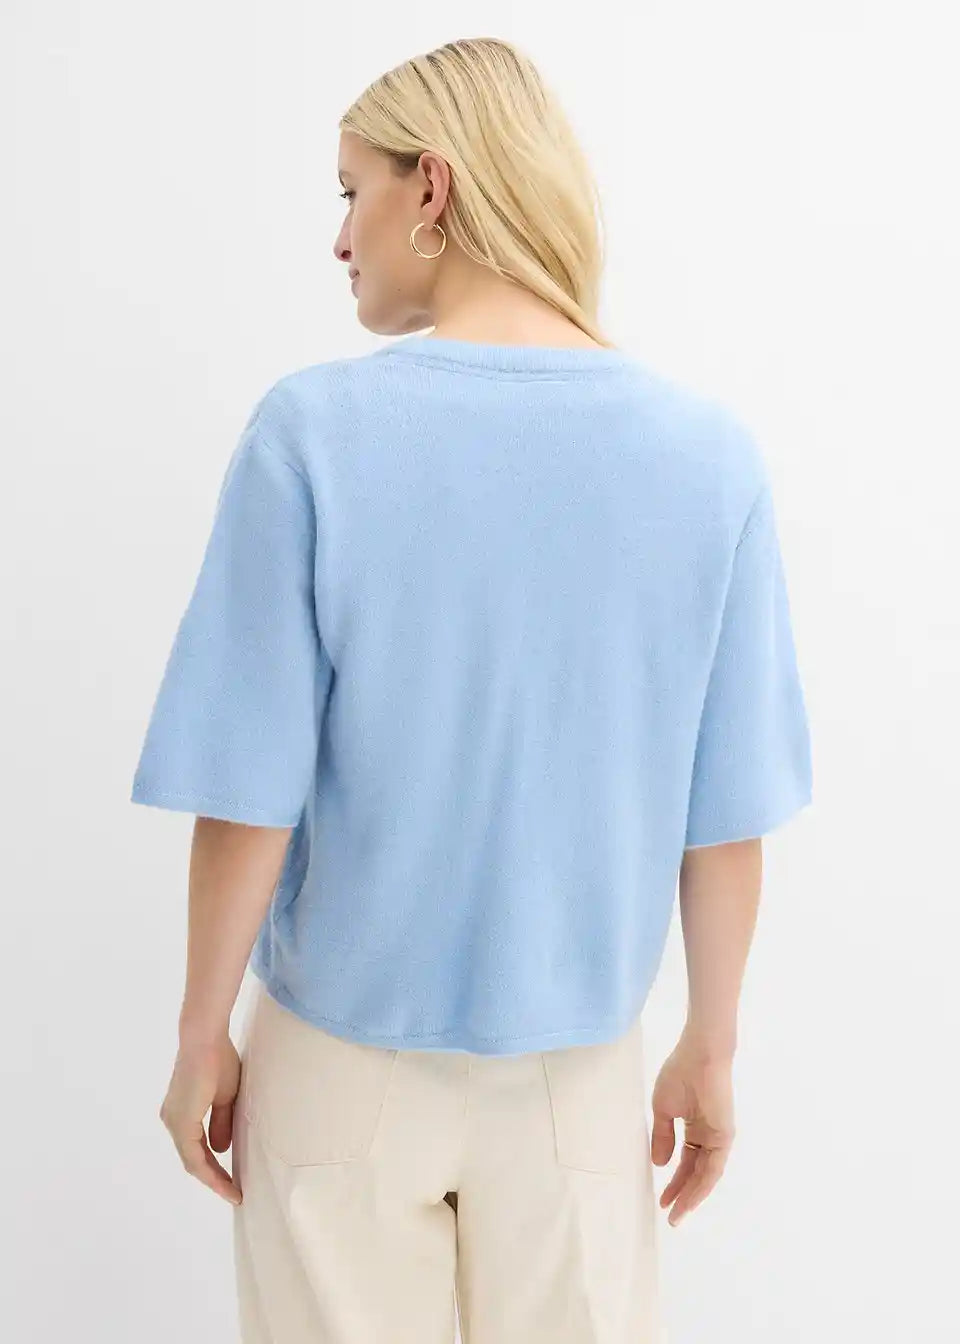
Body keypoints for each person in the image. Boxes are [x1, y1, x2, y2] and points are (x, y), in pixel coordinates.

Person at [130, 35, 813, 1344]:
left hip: (337, 1064)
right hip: (579, 1083)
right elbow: (725, 811)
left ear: (431, 188)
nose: (341, 238)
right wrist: (712, 1047)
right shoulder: (708, 457)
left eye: (353, 190)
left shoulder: (312, 434)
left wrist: (201, 1031)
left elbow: (249, 786)